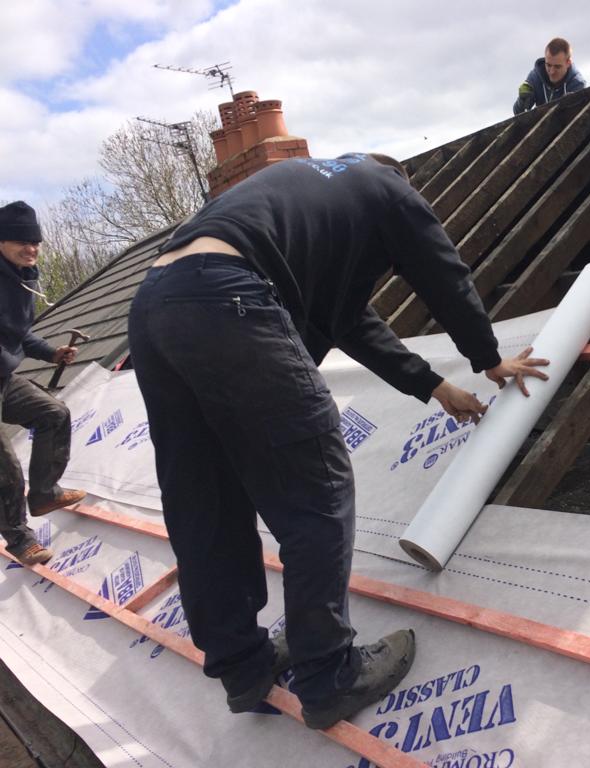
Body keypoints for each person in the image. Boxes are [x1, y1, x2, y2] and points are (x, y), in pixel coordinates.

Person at [126, 152, 549, 729]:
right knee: (317, 485)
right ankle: (329, 673)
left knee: (205, 495)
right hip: (226, 295)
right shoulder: (387, 185)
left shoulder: (312, 201)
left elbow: (348, 321)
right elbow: (442, 271)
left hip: (154, 301)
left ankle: (243, 665)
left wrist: (433, 385)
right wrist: (489, 357)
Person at [0, 201, 86, 566]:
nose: (31, 248)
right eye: (22, 241)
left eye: (35, 241)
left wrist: (52, 353)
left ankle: (44, 493)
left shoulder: (22, 279)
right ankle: (19, 539)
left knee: (53, 413)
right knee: (5, 466)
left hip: (3, 378)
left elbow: (17, 334)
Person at [513, 37, 587, 115]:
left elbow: (575, 120)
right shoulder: (535, 77)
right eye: (548, 65)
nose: (551, 72)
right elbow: (518, 114)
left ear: (568, 63)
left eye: (557, 67)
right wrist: (522, 100)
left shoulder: (577, 83)